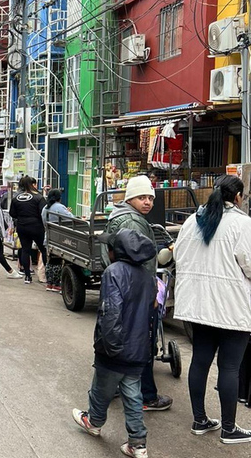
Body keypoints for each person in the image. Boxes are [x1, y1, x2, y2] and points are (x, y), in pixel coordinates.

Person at [173, 174, 251, 444]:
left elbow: (177, 256)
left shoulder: (193, 221)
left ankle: (200, 420)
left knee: (200, 360)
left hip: (198, 306)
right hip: (231, 308)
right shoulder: (242, 224)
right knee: (229, 367)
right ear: (238, 196)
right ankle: (229, 429)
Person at [73, 229, 157, 458]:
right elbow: (151, 310)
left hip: (115, 347)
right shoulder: (148, 277)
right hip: (138, 349)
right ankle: (138, 443)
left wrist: (108, 347)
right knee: (132, 394)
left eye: (108, 248)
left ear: (116, 251)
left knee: (101, 389)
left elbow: (110, 313)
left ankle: (94, 421)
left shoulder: (113, 273)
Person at [103, 175, 173, 412]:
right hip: (135, 292)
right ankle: (146, 396)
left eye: (150, 198)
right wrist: (151, 293)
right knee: (141, 343)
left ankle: (112, 386)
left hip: (123, 291)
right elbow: (141, 262)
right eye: (142, 197)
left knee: (119, 337)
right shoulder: (133, 222)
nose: (148, 202)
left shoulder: (119, 215)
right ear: (130, 198)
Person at [9, 176, 47, 285]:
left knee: (25, 250)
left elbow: (12, 213)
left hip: (22, 226)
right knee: (43, 249)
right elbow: (43, 212)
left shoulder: (17, 198)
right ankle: (47, 275)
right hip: (36, 226)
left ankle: (27, 276)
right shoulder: (38, 197)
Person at [42, 189, 72, 293]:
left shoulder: (45, 208)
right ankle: (56, 284)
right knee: (59, 261)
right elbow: (70, 219)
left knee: (51, 261)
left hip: (49, 237)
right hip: (60, 239)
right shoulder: (60, 207)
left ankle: (49, 283)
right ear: (59, 198)